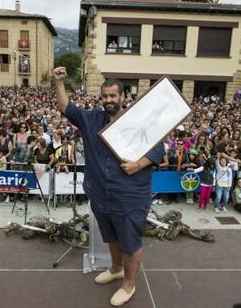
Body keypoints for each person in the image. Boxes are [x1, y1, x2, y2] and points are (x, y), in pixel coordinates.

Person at [54, 67, 165, 307]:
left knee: (131, 241)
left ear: (123, 96)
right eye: (104, 96)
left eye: (113, 96)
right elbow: (66, 107)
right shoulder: (91, 118)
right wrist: (58, 82)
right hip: (100, 193)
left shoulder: (140, 121)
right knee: (111, 236)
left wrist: (138, 164)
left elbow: (159, 150)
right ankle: (115, 268)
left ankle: (129, 284)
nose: (108, 100)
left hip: (130, 195)